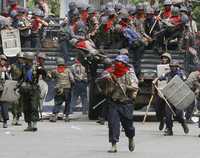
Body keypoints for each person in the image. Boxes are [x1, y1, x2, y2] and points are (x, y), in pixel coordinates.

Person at [98, 54, 138, 153]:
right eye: (116, 62)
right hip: (113, 102)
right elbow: (99, 81)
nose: (117, 64)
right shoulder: (110, 72)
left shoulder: (129, 73)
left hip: (126, 102)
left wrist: (125, 86)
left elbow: (135, 87)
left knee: (128, 126)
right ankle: (113, 144)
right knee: (112, 124)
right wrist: (105, 80)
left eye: (119, 62)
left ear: (124, 64)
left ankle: (131, 138)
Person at [153, 60, 189, 136]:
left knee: (178, 115)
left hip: (178, 97)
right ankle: (169, 129)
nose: (172, 68)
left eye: (174, 66)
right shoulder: (168, 74)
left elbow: (185, 83)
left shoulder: (181, 74)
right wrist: (156, 79)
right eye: (171, 66)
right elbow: (162, 77)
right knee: (168, 114)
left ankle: (183, 123)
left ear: (177, 67)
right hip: (169, 96)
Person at [17, 52, 40, 132]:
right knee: (26, 108)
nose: (25, 61)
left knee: (34, 106)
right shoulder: (23, 68)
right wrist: (17, 86)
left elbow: (44, 75)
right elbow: (20, 78)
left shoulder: (36, 68)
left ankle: (34, 124)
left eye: (26, 59)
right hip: (25, 90)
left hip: (34, 89)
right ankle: (29, 125)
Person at [49, 57, 74, 122]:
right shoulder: (68, 70)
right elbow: (72, 79)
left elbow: (51, 77)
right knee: (67, 103)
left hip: (58, 89)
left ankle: (55, 116)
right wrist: (72, 86)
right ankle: (66, 117)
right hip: (67, 89)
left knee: (57, 103)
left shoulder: (54, 71)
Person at [154, 53, 172, 131]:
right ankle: (161, 121)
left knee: (167, 111)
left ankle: (168, 126)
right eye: (163, 58)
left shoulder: (172, 68)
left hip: (169, 91)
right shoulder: (158, 67)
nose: (164, 59)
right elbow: (155, 78)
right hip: (159, 91)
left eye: (166, 58)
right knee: (158, 109)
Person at [10, 53, 24, 126]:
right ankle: (14, 117)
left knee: (20, 103)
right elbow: (7, 73)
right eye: (19, 58)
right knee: (14, 102)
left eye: (22, 58)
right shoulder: (13, 65)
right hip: (14, 84)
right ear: (17, 58)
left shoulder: (24, 67)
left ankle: (18, 118)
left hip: (22, 85)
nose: (20, 59)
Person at [0, 55, 10, 128]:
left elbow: (8, 78)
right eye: (2, 60)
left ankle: (5, 121)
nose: (3, 61)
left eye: (4, 60)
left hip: (3, 89)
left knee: (4, 105)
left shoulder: (5, 68)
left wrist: (6, 71)